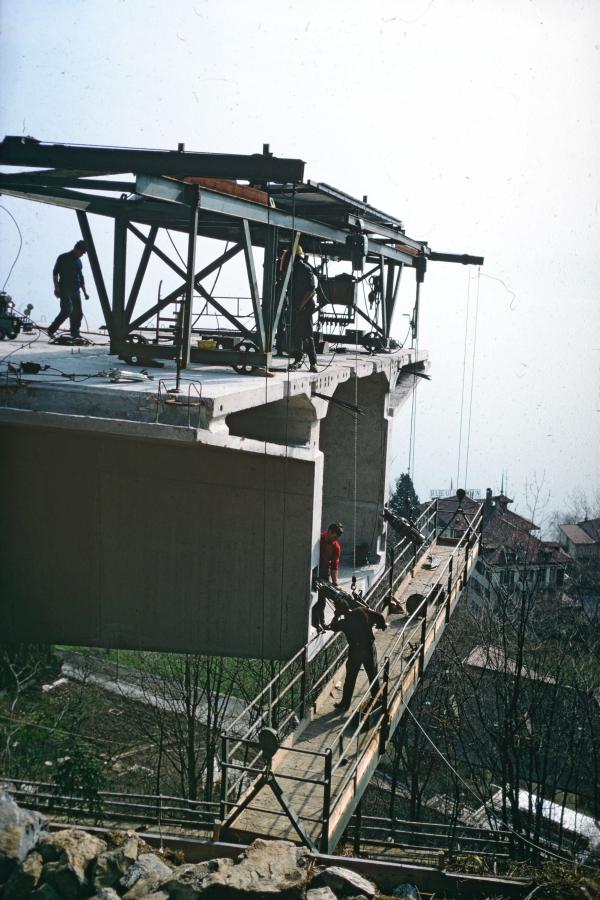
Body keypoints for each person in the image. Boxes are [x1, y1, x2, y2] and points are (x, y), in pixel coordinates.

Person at [329, 599, 387, 712]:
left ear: (340, 611)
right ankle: (377, 700)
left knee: (350, 678)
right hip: (369, 648)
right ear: (348, 606)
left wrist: (336, 616)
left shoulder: (344, 623)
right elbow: (379, 616)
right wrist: (382, 625)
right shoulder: (362, 611)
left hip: (355, 651)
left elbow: (333, 626)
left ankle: (345, 703)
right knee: (373, 674)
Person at [48, 240, 90, 339]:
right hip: (64, 289)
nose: (82, 255)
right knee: (67, 310)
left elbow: (81, 277)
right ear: (76, 248)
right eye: (82, 252)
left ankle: (75, 333)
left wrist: (85, 292)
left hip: (76, 290)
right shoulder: (63, 257)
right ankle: (51, 330)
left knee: (78, 313)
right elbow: (55, 273)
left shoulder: (79, 261)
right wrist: (56, 288)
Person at [287, 246, 318, 373]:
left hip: (305, 306)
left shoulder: (305, 269)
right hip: (296, 306)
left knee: (306, 334)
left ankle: (313, 363)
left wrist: (301, 305)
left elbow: (311, 290)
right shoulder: (293, 269)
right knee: (296, 333)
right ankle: (298, 359)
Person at [312, 522, 344, 632]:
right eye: (334, 537)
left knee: (322, 601)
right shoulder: (317, 538)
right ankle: (315, 624)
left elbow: (334, 566)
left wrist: (335, 583)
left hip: (324, 573)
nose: (335, 540)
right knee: (314, 600)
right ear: (329, 532)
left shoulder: (336, 547)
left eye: (337, 538)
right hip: (313, 571)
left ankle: (321, 622)